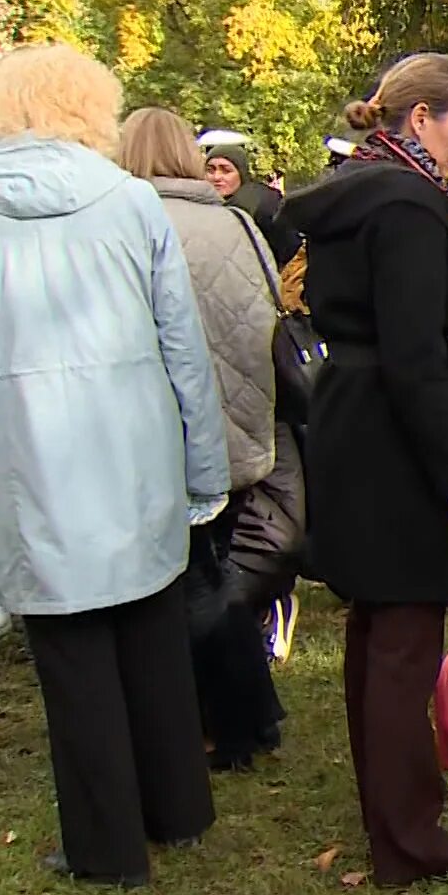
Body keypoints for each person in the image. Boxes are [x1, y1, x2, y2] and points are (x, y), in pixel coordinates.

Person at [0, 44, 227, 887]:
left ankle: (108, 845)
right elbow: (184, 352)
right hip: (133, 458)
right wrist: (204, 469)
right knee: (150, 631)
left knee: (74, 656)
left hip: (31, 464)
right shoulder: (133, 204)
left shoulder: (132, 202)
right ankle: (176, 808)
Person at [279, 52, 448, 888]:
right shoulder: (408, 206)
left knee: (376, 633)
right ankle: (409, 839)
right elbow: (415, 357)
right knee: (404, 637)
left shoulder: (356, 191)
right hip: (395, 432)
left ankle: (388, 810)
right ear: (420, 119)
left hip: (351, 414)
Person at [120, 106, 286, 770]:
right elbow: (268, 316)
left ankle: (227, 727)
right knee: (218, 575)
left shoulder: (132, 226)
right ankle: (256, 714)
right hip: (241, 424)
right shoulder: (236, 221)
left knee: (192, 589)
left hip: (171, 433)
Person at [205, 141, 300, 267]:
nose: (217, 177)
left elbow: (289, 248)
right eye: (210, 170)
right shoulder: (200, 205)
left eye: (226, 171)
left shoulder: (263, 203)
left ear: (241, 173)